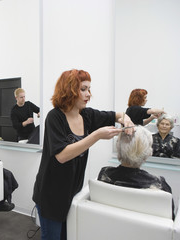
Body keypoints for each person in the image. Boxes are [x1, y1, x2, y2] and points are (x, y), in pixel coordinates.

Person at [32, 69, 134, 240]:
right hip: (51, 195)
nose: (88, 94)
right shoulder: (54, 117)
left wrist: (126, 119)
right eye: (83, 89)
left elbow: (117, 115)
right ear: (69, 91)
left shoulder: (86, 115)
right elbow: (62, 156)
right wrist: (95, 136)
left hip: (72, 192)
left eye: (89, 89)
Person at [98, 125, 175, 219]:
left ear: (118, 147)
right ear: (148, 153)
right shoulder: (159, 185)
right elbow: (170, 221)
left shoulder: (105, 174)